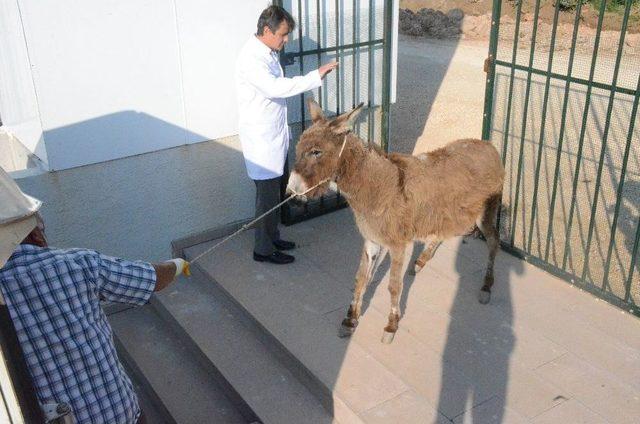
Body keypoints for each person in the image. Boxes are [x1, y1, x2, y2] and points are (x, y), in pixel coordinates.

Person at [0, 213, 189, 424]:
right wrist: (178, 264)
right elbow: (151, 279)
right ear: (35, 234)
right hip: (119, 415)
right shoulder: (79, 264)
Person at [236, 5, 338, 264]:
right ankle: (263, 249)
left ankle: (273, 237)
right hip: (262, 143)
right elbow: (274, 88)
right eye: (282, 35)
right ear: (267, 30)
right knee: (267, 201)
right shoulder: (251, 58)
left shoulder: (267, 52)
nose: (285, 40)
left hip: (274, 138)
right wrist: (316, 75)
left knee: (277, 193)